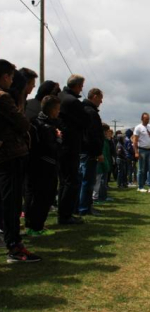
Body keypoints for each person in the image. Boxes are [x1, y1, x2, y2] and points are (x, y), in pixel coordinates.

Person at [0, 59, 41, 262]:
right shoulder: (4, 99)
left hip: (9, 156)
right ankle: (14, 247)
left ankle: (13, 243)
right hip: (10, 156)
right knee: (11, 203)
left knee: (10, 202)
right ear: (5, 76)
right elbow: (23, 123)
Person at [24, 95, 61, 236]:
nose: (59, 112)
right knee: (44, 196)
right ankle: (36, 226)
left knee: (34, 194)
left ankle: (32, 224)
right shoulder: (47, 127)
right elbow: (50, 148)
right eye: (57, 109)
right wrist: (58, 139)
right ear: (51, 110)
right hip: (46, 165)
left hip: (35, 164)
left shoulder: (36, 122)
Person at [58, 74, 89, 225]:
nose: (82, 89)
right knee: (71, 180)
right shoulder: (72, 101)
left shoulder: (59, 97)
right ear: (76, 86)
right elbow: (85, 121)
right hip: (70, 144)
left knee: (64, 181)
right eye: (81, 86)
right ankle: (65, 214)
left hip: (61, 144)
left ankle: (63, 213)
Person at [78, 88, 104, 216]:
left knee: (86, 180)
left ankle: (85, 205)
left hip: (85, 150)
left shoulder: (85, 110)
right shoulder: (90, 112)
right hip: (89, 152)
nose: (101, 101)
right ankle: (84, 207)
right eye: (100, 98)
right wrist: (98, 152)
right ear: (94, 97)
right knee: (87, 181)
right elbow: (92, 135)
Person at [133, 113, 150, 193]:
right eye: (146, 119)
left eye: (148, 119)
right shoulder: (138, 128)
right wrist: (136, 152)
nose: (148, 120)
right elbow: (135, 141)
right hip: (142, 150)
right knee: (141, 169)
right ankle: (140, 187)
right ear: (142, 119)